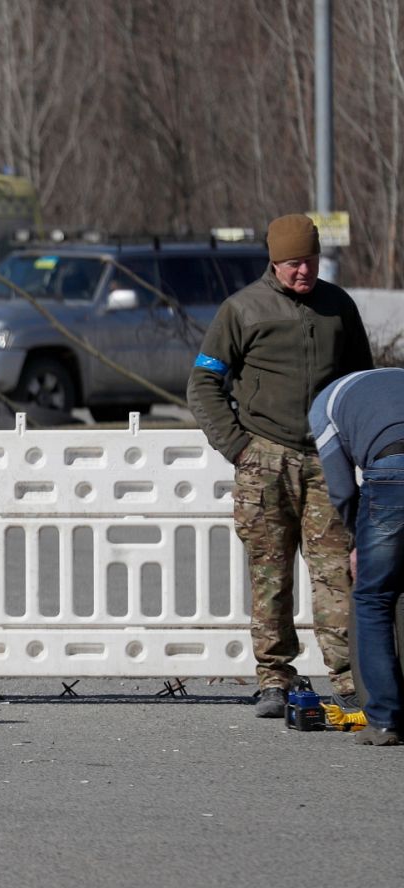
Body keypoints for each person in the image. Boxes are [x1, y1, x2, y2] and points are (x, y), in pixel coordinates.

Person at [187, 213, 373, 719]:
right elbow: (203, 384)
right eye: (293, 263)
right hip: (264, 458)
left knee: (337, 575)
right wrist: (239, 447)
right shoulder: (243, 309)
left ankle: (348, 678)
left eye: (310, 261)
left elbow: (361, 383)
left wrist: (355, 441)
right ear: (273, 260)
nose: (302, 272)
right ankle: (275, 677)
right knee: (271, 576)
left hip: (327, 460)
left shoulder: (338, 307)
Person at [310, 368, 404, 746]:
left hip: (391, 471)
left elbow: (344, 489)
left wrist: (357, 542)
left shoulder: (323, 406)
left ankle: (384, 720)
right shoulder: (395, 376)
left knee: (373, 598)